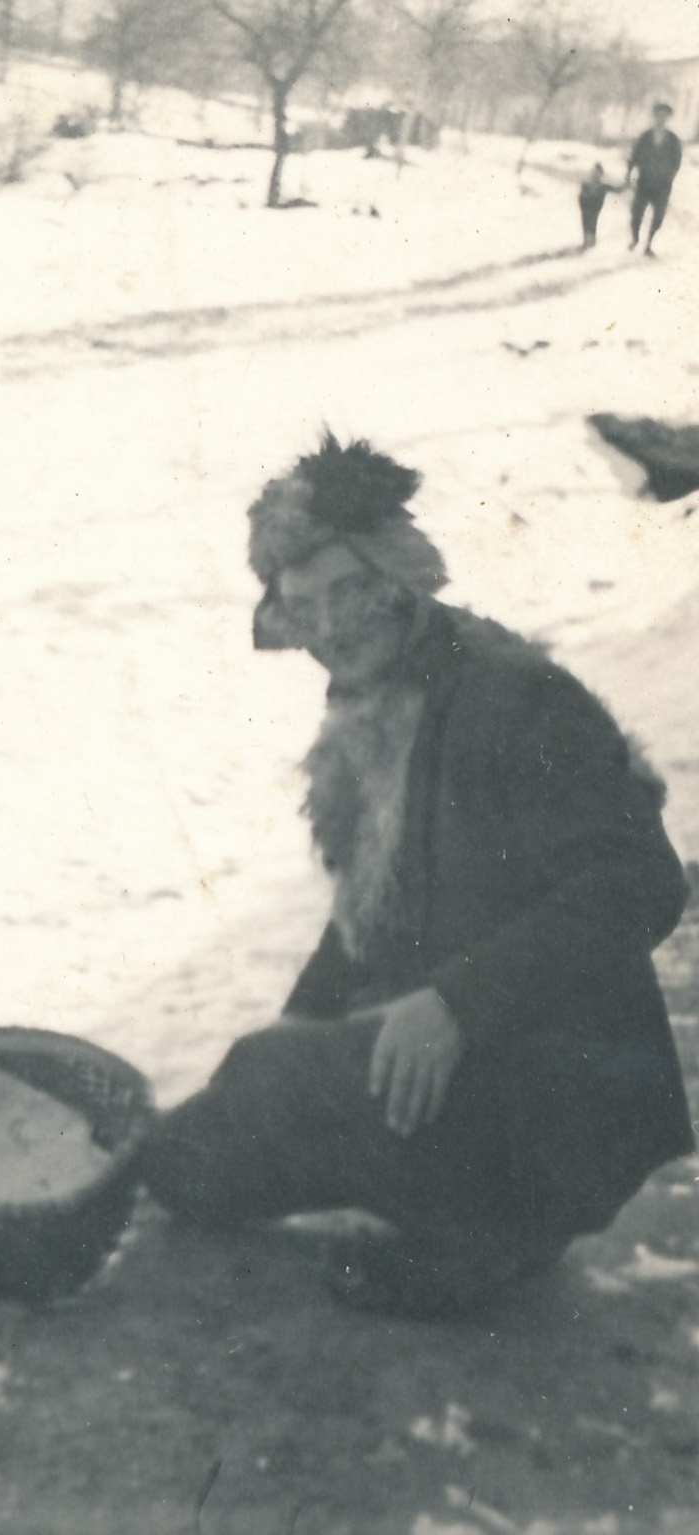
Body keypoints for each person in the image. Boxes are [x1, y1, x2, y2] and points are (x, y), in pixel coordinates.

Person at [141, 434, 693, 1319]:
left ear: (397, 579)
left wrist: (457, 1005)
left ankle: (490, 1232)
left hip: (556, 1100)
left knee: (262, 1089)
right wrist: (303, 1019)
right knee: (195, 1153)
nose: (332, 628)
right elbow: (374, 900)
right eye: (305, 606)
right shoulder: (381, 695)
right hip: (466, 1065)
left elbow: (642, 881)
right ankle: (458, 1204)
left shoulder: (514, 697)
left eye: (349, 591)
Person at [626, 102, 683, 257]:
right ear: (654, 116)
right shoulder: (645, 137)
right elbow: (634, 156)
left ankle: (649, 244)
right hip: (644, 181)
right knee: (637, 212)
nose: (661, 118)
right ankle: (635, 238)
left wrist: (669, 175)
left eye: (664, 115)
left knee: (658, 216)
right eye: (658, 115)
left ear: (668, 118)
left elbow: (677, 161)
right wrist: (629, 173)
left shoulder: (673, 139)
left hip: (663, 184)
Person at [578, 162, 611, 249]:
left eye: (598, 173)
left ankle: (590, 240)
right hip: (587, 206)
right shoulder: (586, 184)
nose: (596, 175)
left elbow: (617, 190)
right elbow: (581, 197)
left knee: (592, 221)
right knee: (587, 222)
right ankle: (587, 241)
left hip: (595, 207)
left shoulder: (603, 186)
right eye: (595, 173)